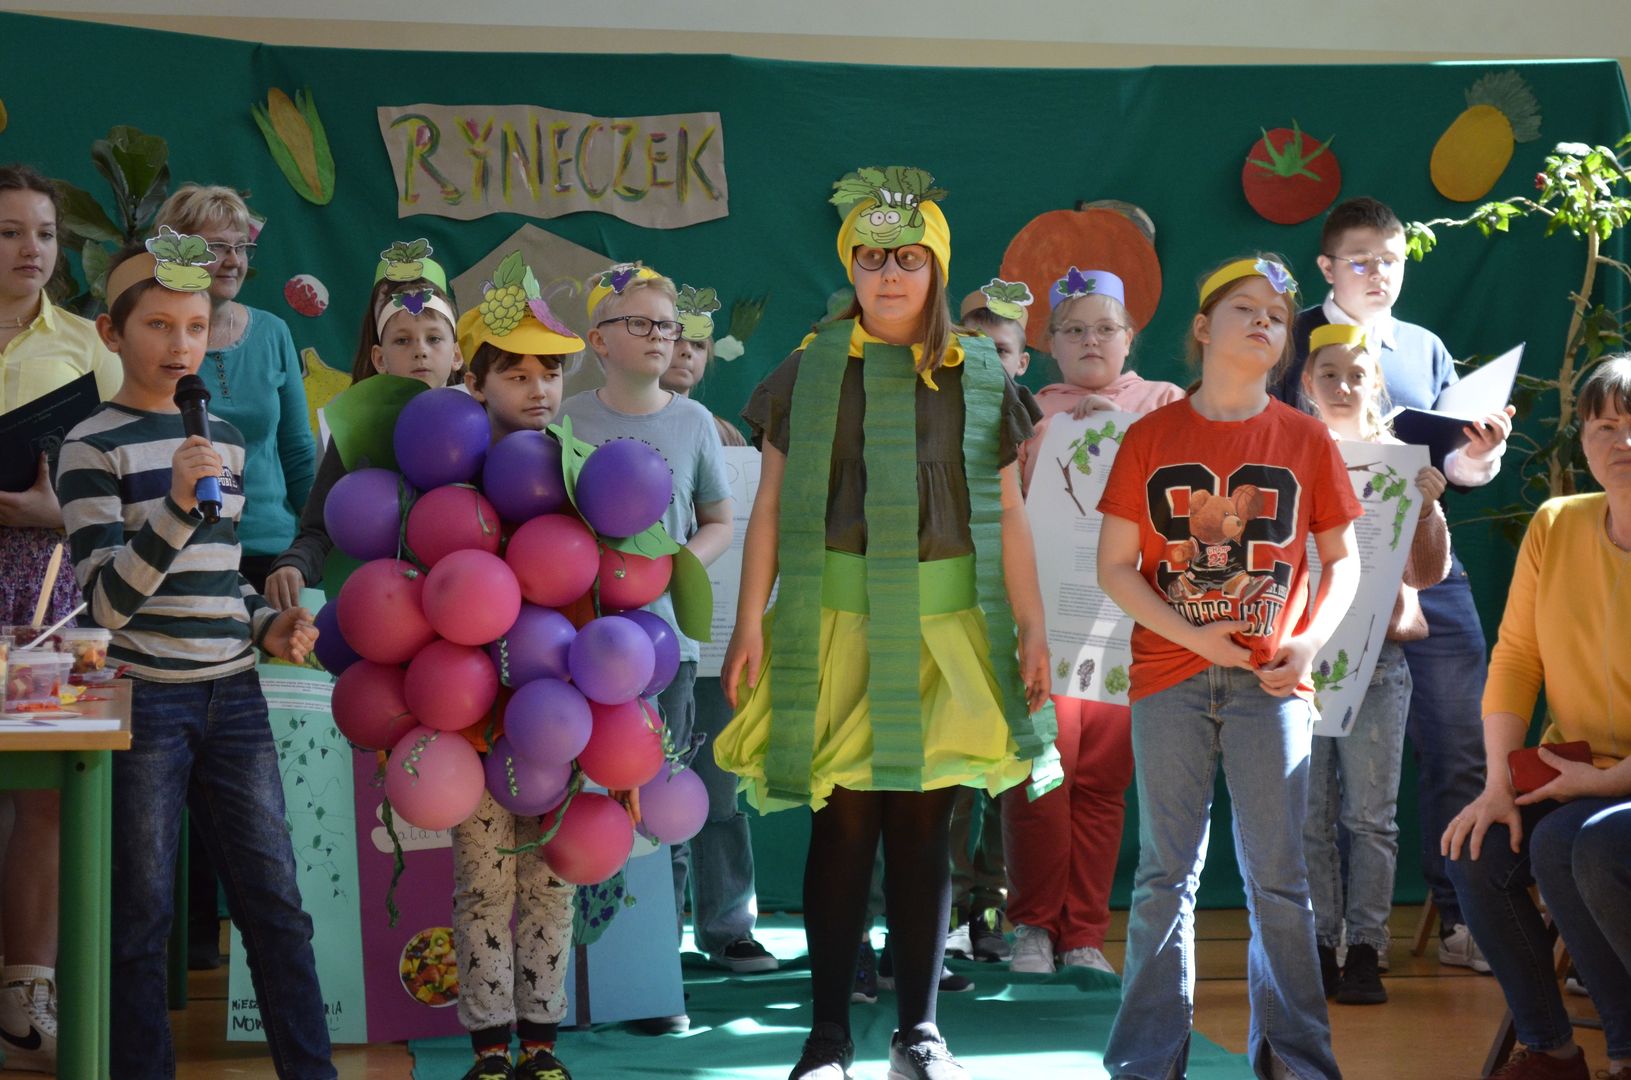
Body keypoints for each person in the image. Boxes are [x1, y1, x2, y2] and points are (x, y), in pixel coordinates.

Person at [714, 166, 1054, 1080]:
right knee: (843, 825)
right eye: (870, 257)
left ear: (936, 267)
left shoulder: (979, 375)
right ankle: (826, 1037)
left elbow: (1008, 514)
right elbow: (770, 505)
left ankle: (919, 1033)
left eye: (907, 257)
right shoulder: (808, 370)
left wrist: (1030, 626)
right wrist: (749, 622)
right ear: (850, 268)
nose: (889, 273)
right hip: (839, 624)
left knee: (921, 827)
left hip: (946, 630)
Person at [54, 236, 332, 1078]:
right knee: (139, 918)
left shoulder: (227, 442)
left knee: (276, 907)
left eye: (197, 326)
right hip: (142, 699)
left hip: (235, 695)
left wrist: (265, 625)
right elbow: (104, 604)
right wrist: (177, 505)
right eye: (159, 325)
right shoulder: (89, 446)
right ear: (112, 332)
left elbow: (221, 580)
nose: (181, 345)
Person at [1097, 255, 1360, 1080]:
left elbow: (1341, 560)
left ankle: (1295, 1061)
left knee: (1279, 881)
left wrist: (1308, 642)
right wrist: (1194, 636)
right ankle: (1145, 1063)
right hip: (1168, 680)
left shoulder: (1304, 437)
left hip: (1271, 687)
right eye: (1244, 308)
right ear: (1202, 328)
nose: (1263, 322)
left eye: (1276, 317)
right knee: (1162, 878)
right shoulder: (1149, 437)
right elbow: (1114, 567)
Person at [1273, 197, 1512, 972]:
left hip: (1419, 566)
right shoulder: (1285, 338)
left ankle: (1459, 919)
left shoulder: (1422, 346)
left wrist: (1478, 455)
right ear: (1326, 267)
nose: (1379, 274)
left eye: (1391, 260)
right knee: (1315, 774)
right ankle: (1327, 934)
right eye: (1361, 260)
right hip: (1315, 577)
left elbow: (1448, 470)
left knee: (1460, 741)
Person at [1441, 356, 1631, 1080]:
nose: (1620, 442)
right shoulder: (1556, 523)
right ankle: (1551, 1050)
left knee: (1574, 846)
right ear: (1582, 441)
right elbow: (1517, 659)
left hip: (1609, 786)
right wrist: (1497, 784)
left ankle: (1625, 1053)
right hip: (1571, 772)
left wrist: (1606, 781)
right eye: (1603, 427)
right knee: (1475, 847)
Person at [561, 262, 736, 1030]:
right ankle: (568, 977)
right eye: (640, 323)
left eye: (667, 325)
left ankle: (653, 982)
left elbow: (718, 520)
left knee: (657, 800)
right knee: (575, 799)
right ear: (598, 339)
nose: (660, 337)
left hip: (665, 647)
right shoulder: (565, 418)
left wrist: (674, 566)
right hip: (575, 643)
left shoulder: (694, 423)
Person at [1005, 268, 1185, 977]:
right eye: (1074, 330)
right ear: (1047, 343)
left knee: (1102, 783)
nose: (1090, 341)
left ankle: (1082, 934)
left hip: (1125, 630)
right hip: (1043, 625)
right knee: (1039, 775)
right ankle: (1032, 927)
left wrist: (1120, 430)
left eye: (1105, 328)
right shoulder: (1025, 409)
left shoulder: (1164, 403)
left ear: (1129, 337)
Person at [154, 184, 316, 967]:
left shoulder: (275, 333)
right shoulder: (158, 337)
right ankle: (188, 939)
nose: (229, 260)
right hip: (179, 558)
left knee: (259, 760)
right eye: (211, 246)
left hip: (268, 562)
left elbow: (299, 453)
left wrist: (298, 554)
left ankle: (261, 945)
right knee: (180, 753)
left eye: (239, 246)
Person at [444, 271, 586, 1080]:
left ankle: (542, 1045)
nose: (538, 389)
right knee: (483, 882)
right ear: (476, 382)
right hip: (472, 718)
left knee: (551, 881)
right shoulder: (447, 475)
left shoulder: (580, 472)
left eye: (551, 372)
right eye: (516, 373)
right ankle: (489, 1049)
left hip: (558, 716)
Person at [0, 161, 121, 1073]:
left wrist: (60, 513)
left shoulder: (90, 344)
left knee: (46, 792)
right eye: (8, 232)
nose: (30, 249)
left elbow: (129, 477)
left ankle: (26, 991)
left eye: (43, 233)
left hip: (52, 586)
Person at [1298, 323, 1451, 1005]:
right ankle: (1318, 944)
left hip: (1379, 661)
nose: (1342, 386)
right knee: (1309, 818)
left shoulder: (1398, 465)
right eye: (1328, 374)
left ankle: (1364, 947)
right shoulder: (1290, 455)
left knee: (1369, 818)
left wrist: (1426, 510)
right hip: (1302, 658)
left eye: (1355, 375)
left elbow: (1425, 573)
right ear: (1307, 383)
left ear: (1376, 384)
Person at [653, 281, 778, 975]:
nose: (684, 353)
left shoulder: (727, 438)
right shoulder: (608, 425)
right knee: (658, 786)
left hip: (717, 643)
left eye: (698, 345)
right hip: (651, 641)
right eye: (674, 338)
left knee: (720, 787)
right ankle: (656, 935)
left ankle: (729, 927)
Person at [264, 242, 464, 608]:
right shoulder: (354, 431)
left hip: (465, 598)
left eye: (434, 338)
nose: (420, 350)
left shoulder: (479, 422)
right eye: (402, 340)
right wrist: (295, 563)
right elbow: (321, 529)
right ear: (379, 358)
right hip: (384, 605)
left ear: (457, 353)